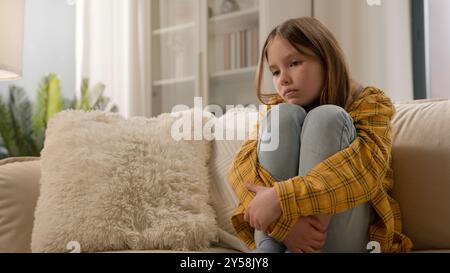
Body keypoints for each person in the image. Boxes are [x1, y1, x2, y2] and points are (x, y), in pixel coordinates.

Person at [227, 17, 413, 253]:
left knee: (327, 118)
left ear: (326, 60)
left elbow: (365, 170)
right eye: (275, 71)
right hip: (282, 237)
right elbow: (241, 169)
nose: (282, 79)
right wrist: (286, 227)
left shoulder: (370, 103)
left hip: (350, 237)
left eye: (294, 63)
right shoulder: (275, 109)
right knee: (282, 117)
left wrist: (281, 198)